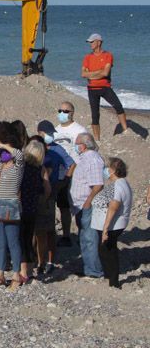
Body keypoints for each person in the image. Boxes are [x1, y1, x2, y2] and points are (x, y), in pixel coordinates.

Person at [0, 138, 25, 290]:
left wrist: (4, 144)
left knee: (13, 242)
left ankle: (16, 274)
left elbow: (20, 155)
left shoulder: (17, 167)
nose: (3, 153)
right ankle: (0, 274)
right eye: (1, 152)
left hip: (10, 208)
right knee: (0, 244)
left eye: (6, 151)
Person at [35, 121, 71, 276]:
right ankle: (39, 261)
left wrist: (65, 180)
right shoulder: (35, 150)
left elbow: (71, 164)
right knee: (38, 231)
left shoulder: (56, 150)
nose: (50, 136)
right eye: (47, 133)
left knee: (48, 230)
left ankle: (48, 261)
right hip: (37, 194)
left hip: (50, 192)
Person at [91, 158, 132, 289]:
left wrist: (105, 229)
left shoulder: (118, 186)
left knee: (109, 251)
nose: (106, 170)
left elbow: (113, 207)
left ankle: (113, 281)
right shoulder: (121, 183)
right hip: (112, 224)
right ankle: (110, 277)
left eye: (108, 168)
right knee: (105, 250)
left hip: (112, 225)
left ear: (113, 171)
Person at [70, 132, 104, 279]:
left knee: (90, 238)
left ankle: (94, 271)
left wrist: (87, 203)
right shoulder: (84, 158)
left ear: (83, 145)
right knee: (84, 237)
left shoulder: (92, 160)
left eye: (77, 143)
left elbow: (97, 185)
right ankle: (88, 267)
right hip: (80, 205)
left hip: (86, 205)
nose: (75, 146)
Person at [80, 33, 128, 140]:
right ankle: (97, 139)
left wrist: (92, 74)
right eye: (90, 42)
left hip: (105, 87)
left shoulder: (108, 55)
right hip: (92, 89)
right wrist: (99, 73)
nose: (90, 44)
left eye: (92, 42)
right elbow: (83, 74)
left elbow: (106, 73)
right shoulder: (87, 57)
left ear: (99, 42)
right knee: (95, 116)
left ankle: (126, 131)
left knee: (118, 107)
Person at [53, 101, 86, 247]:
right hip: (59, 175)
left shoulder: (79, 130)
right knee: (63, 206)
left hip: (76, 174)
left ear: (72, 113)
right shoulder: (55, 130)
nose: (62, 113)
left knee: (78, 206)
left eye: (66, 111)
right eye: (60, 110)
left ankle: (83, 234)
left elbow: (85, 152)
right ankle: (66, 235)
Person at [19, 139, 50, 282]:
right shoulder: (40, 169)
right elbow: (47, 189)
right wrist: (41, 200)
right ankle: (30, 271)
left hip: (20, 207)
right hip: (33, 207)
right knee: (30, 239)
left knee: (21, 240)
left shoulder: (21, 167)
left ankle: (22, 271)